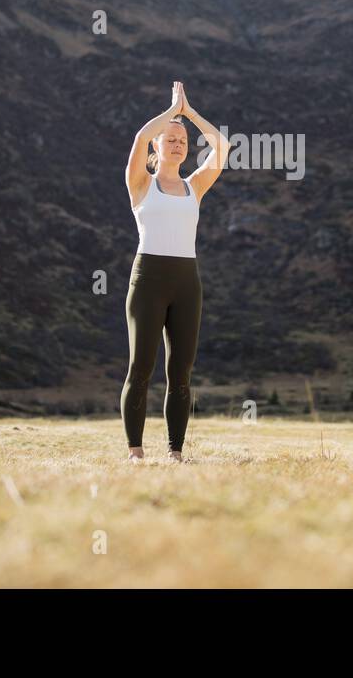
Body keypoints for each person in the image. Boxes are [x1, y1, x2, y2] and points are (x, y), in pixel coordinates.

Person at [121, 81, 229, 462]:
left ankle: (175, 452)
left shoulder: (194, 186)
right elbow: (138, 137)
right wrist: (170, 113)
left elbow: (223, 148)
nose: (178, 142)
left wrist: (189, 113)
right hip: (149, 279)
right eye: (170, 138)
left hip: (187, 283)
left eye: (182, 139)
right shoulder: (141, 183)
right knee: (141, 367)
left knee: (180, 371)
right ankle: (135, 452)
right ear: (157, 145)